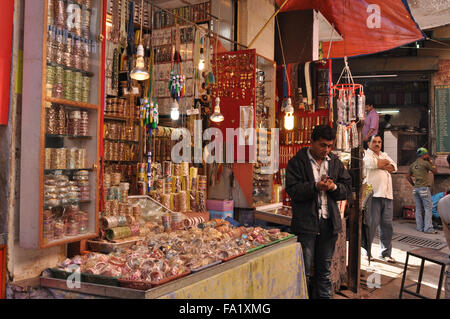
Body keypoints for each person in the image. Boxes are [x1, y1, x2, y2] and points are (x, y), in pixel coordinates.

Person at [286, 125, 352, 299]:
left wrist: (334, 187)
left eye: (330, 146)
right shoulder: (297, 162)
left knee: (324, 273)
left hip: (329, 224)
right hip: (306, 225)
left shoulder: (335, 162)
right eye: (322, 145)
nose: (326, 150)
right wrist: (315, 187)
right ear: (312, 142)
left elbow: (347, 188)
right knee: (304, 272)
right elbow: (293, 190)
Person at [363, 135, 397, 263]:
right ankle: (367, 251)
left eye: (379, 142)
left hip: (387, 195)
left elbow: (394, 167)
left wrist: (382, 164)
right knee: (371, 224)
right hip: (373, 194)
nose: (377, 144)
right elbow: (371, 163)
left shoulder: (384, 155)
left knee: (387, 225)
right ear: (369, 143)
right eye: (374, 142)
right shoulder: (366, 155)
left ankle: (386, 253)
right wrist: (381, 164)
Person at [406, 147, 437, 234]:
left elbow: (407, 176)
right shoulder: (425, 163)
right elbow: (435, 171)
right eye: (427, 154)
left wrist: (413, 185)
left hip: (416, 189)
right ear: (424, 155)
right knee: (428, 208)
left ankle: (420, 228)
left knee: (418, 209)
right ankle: (428, 228)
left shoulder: (413, 164)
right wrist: (431, 161)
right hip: (424, 188)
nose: (427, 155)